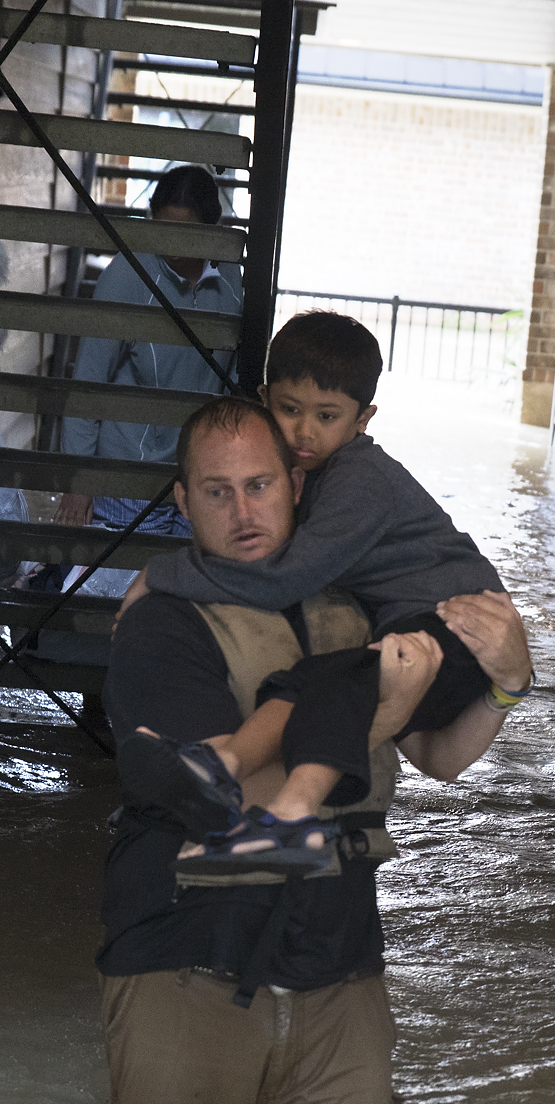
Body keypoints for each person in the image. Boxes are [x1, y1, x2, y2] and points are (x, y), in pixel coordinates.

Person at [99, 395, 531, 1104]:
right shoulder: (160, 623)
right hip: (189, 961)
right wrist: (382, 711)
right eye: (217, 492)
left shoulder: (359, 606)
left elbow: (438, 758)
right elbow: (230, 804)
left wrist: (508, 682)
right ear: (183, 503)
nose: (244, 510)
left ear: (299, 486)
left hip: (339, 967)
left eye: (260, 484)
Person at [119, 312, 524, 866]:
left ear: (363, 420)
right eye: (289, 410)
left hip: (452, 626)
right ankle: (269, 798)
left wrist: (158, 573)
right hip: (419, 627)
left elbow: (286, 577)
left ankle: (265, 793)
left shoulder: (359, 481)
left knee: (328, 676)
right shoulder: (165, 631)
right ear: (265, 399)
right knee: (326, 678)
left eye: (327, 416)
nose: (304, 433)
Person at [56, 165, 243, 537]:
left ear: (212, 227)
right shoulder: (128, 276)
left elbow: (235, 376)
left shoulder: (231, 280)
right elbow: (88, 383)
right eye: (162, 228)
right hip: (129, 479)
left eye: (185, 233)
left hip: (199, 475)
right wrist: (79, 481)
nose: (171, 246)